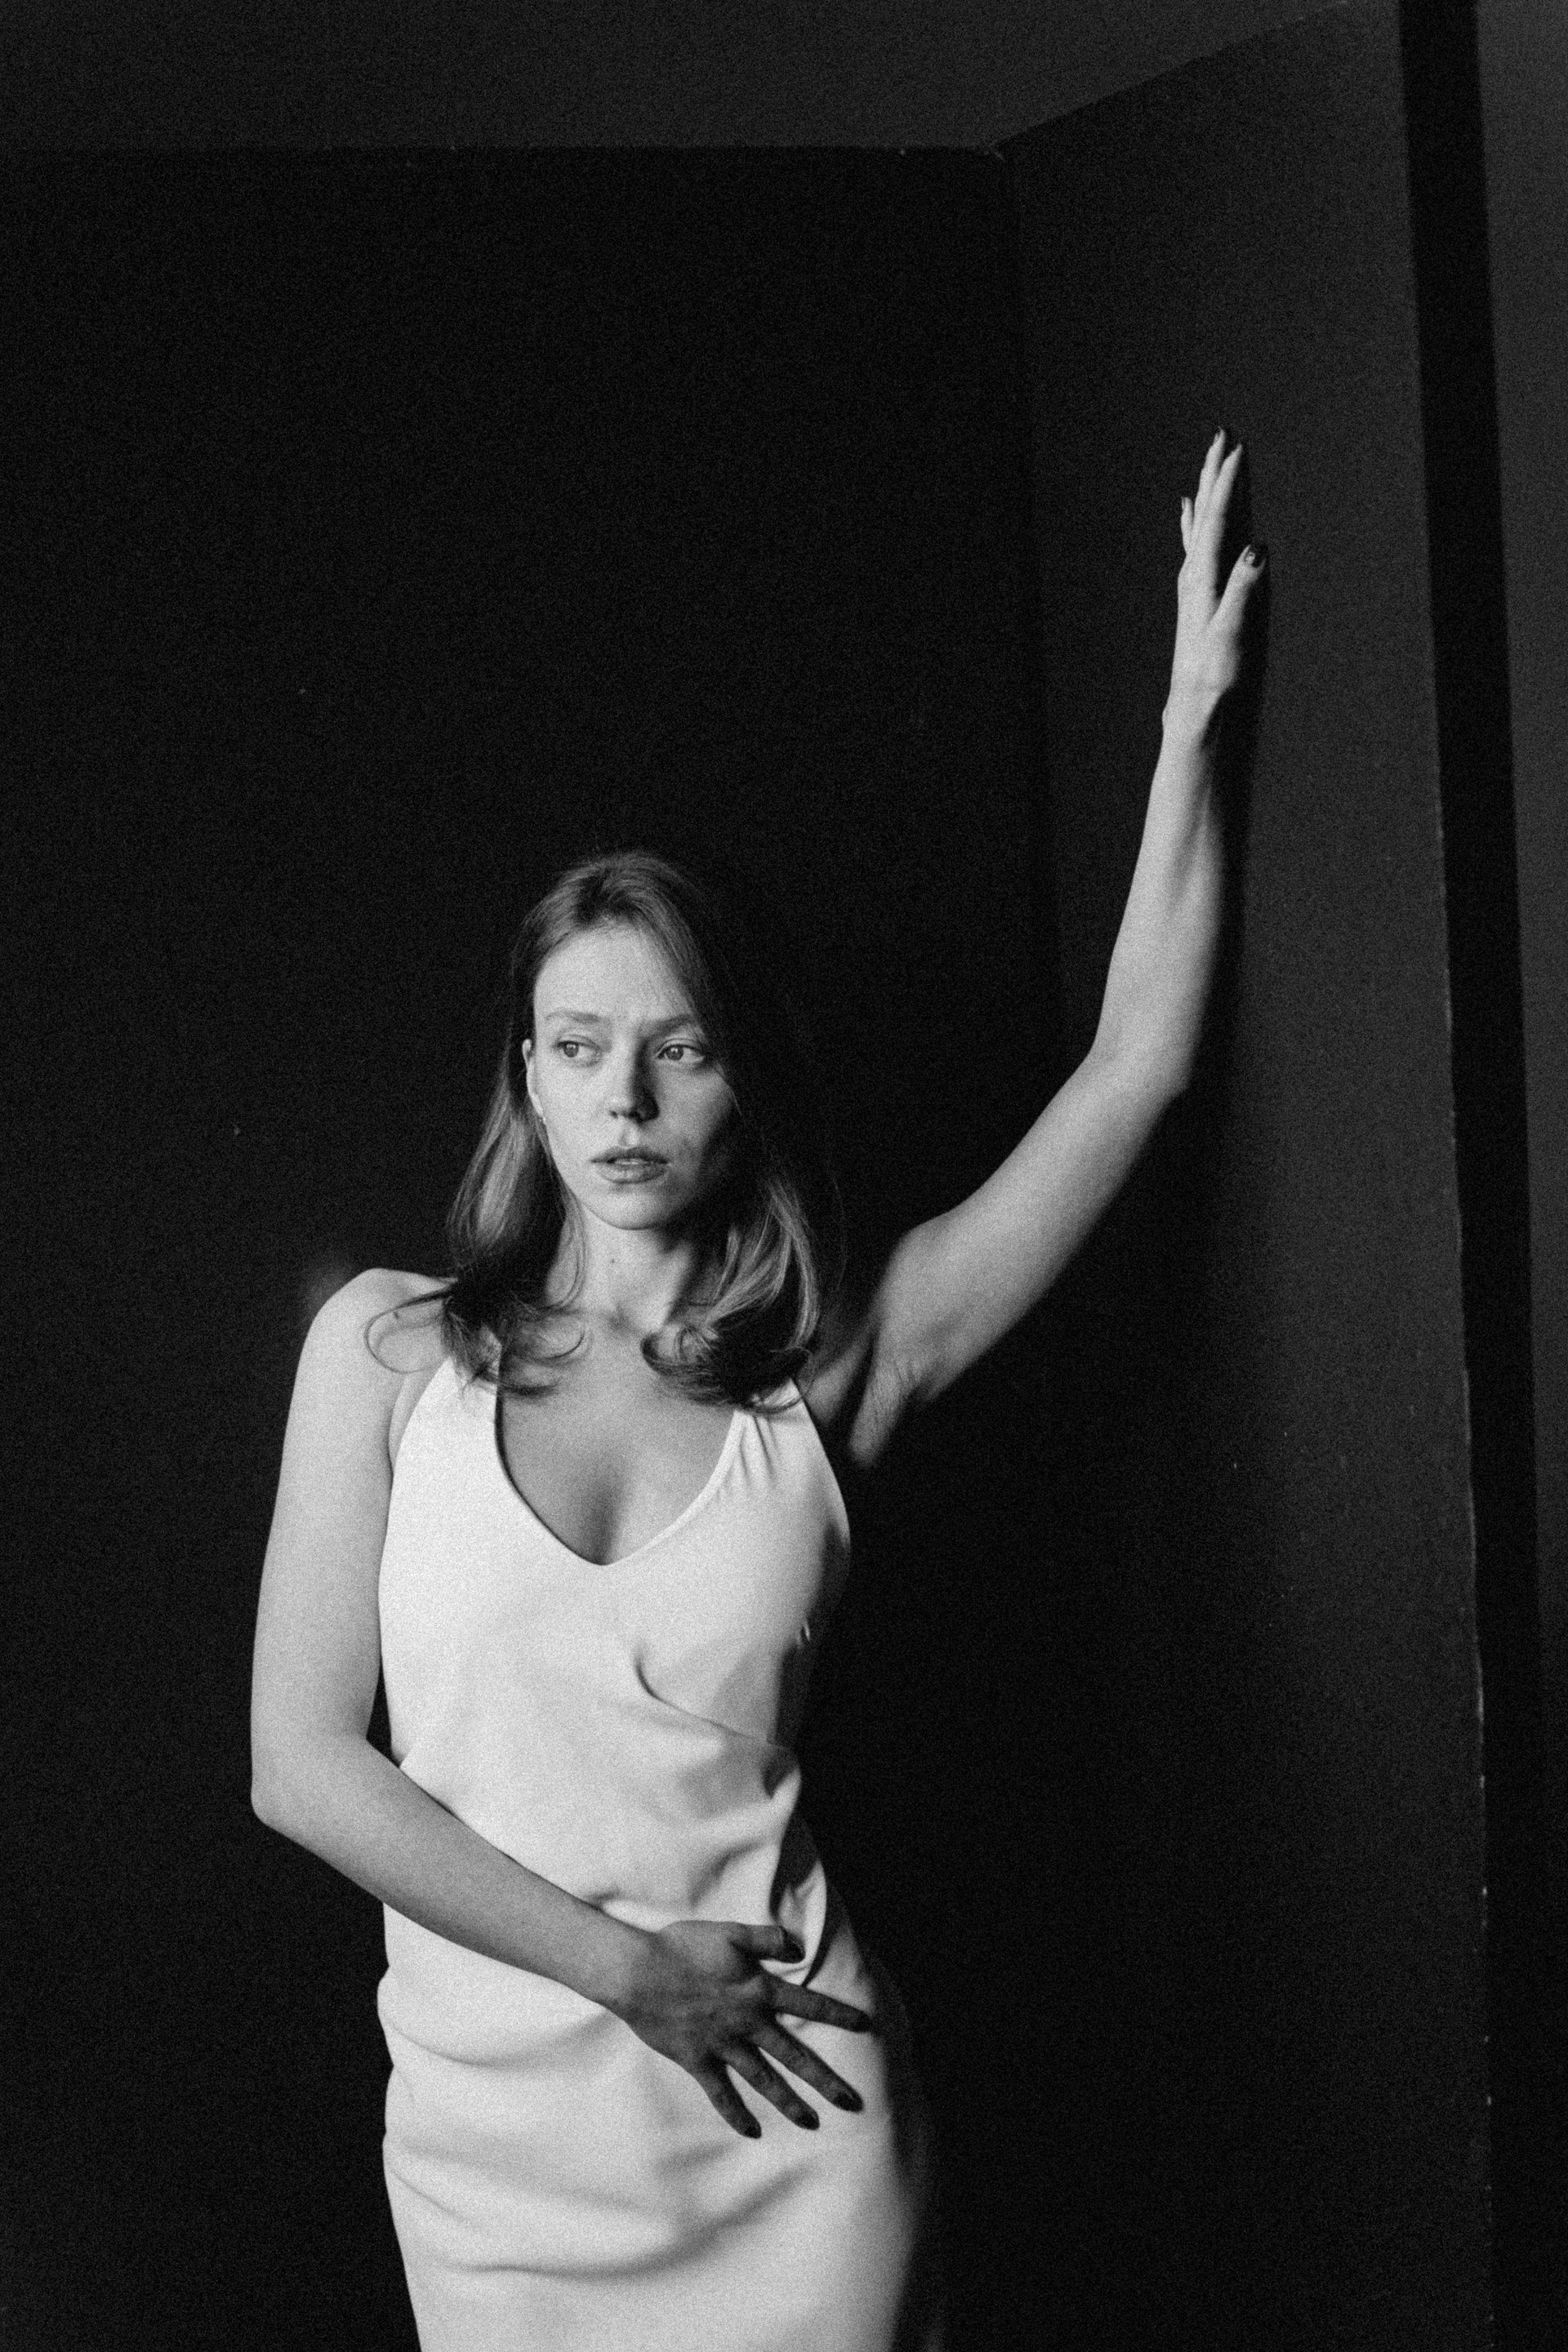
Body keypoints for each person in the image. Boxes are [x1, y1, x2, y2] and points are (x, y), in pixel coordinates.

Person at [250, 431, 1264, 2351]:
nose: (625, 1101)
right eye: (578, 1047)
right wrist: (625, 1972)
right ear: (526, 1075)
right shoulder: (385, 1356)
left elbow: (1133, 1073)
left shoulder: (833, 1369)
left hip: (789, 2117)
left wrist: (1189, 725)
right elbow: (300, 1765)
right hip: (497, 2156)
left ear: (744, 1076)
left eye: (681, 1049)